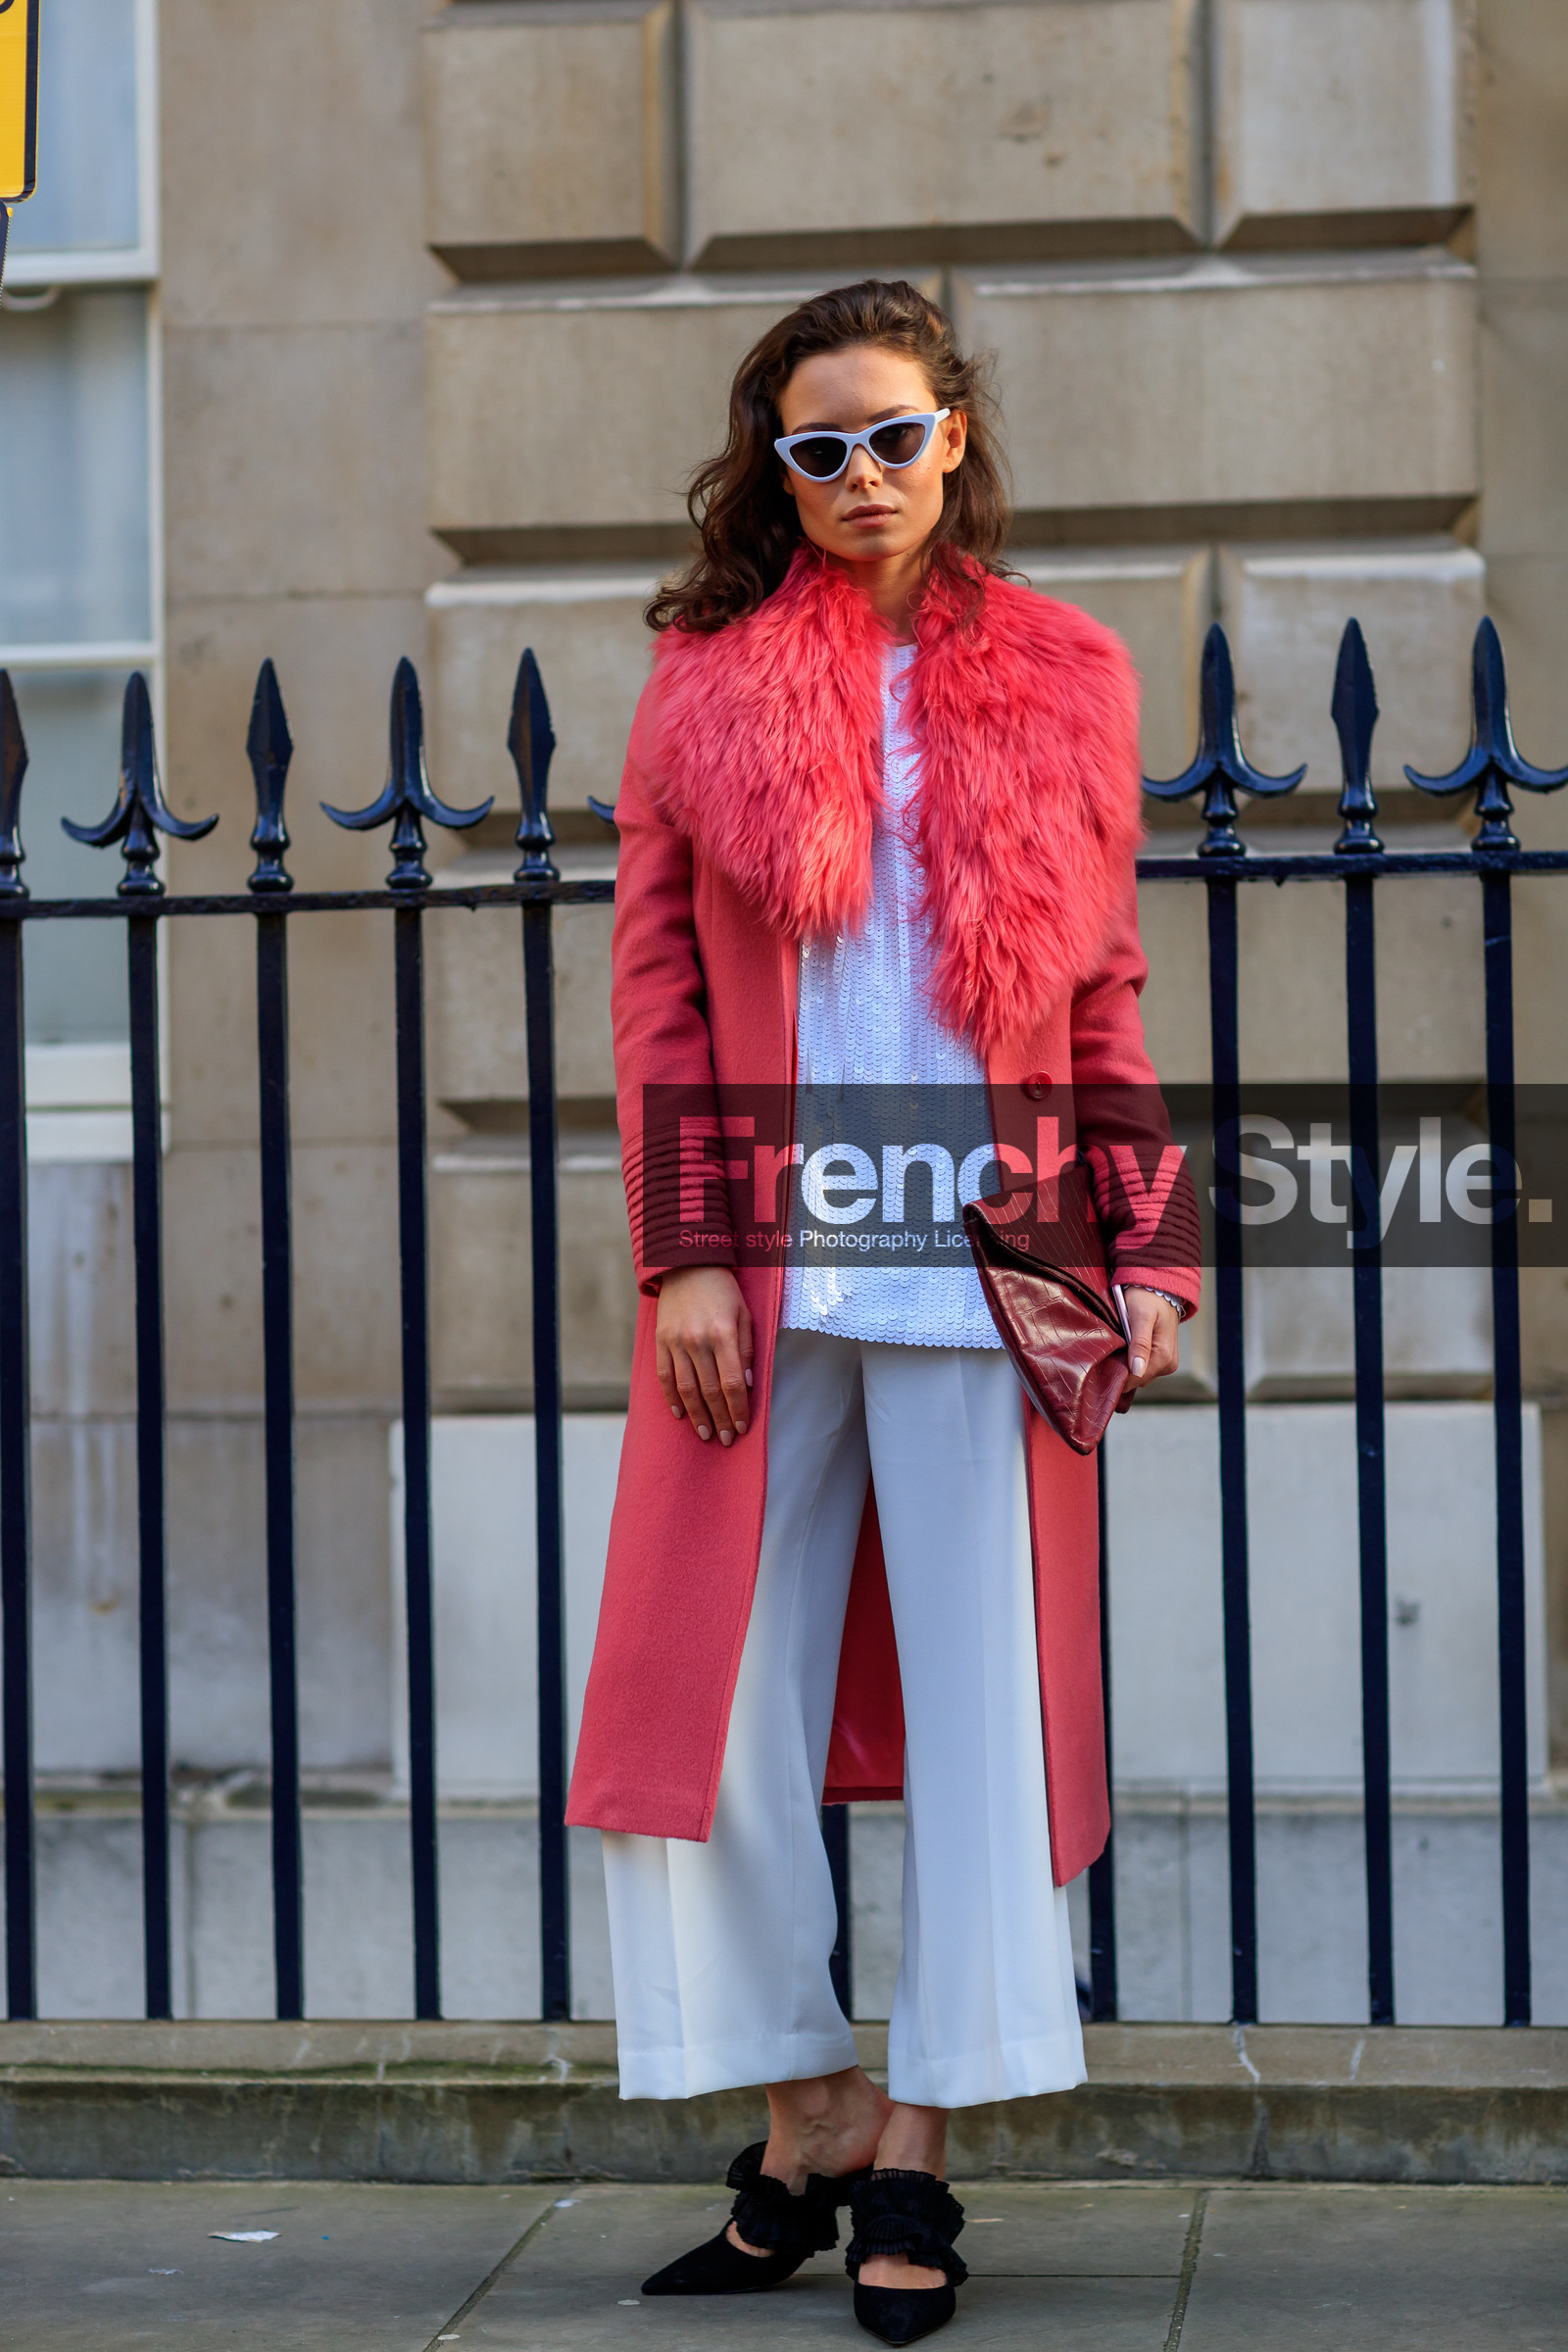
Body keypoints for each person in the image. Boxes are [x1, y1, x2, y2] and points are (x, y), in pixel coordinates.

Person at [564, 278, 1200, 2346]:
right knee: (708, 1720)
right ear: (770, 464)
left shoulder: (1064, 675)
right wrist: (675, 1253)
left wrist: (1152, 1248)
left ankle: (913, 2153)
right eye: (813, 446)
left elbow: (1098, 994)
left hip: (986, 1264)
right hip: (760, 1257)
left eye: (891, 436)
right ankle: (801, 2105)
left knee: (987, 1729)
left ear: (954, 435)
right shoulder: (700, 685)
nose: (856, 478)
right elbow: (659, 995)